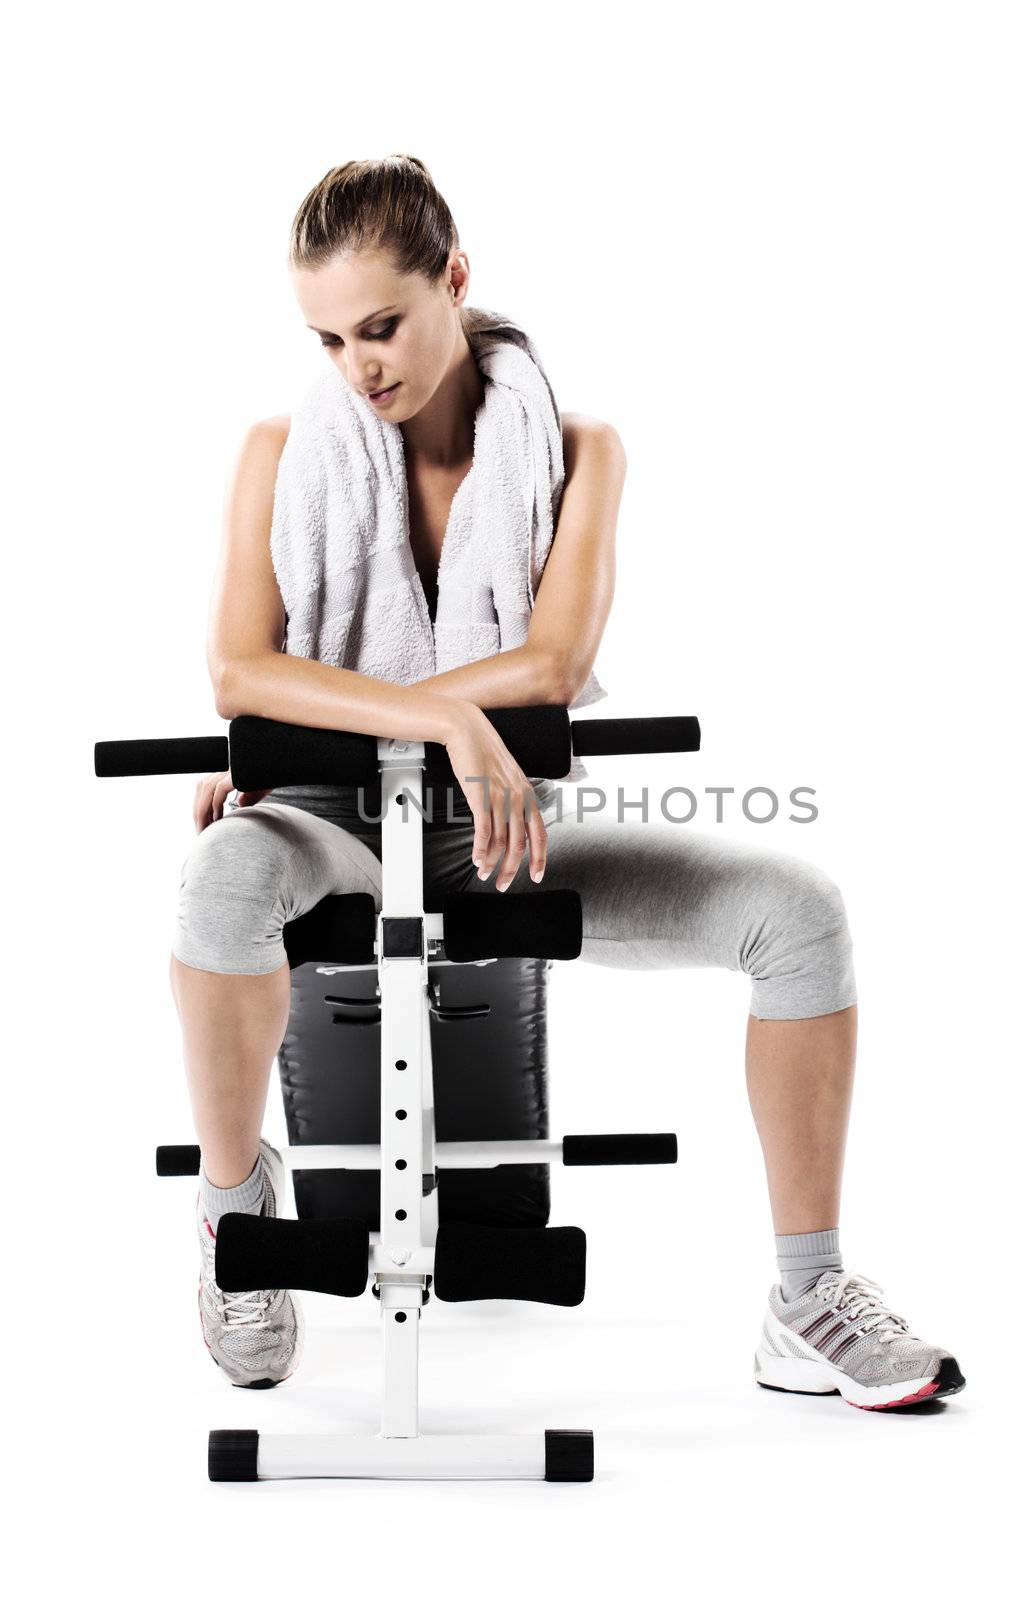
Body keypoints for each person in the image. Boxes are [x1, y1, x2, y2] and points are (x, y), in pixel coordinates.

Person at [169, 154, 964, 1411]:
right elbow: (235, 671)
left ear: (458, 279)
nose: (359, 366)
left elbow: (556, 660)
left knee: (798, 912)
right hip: (330, 824)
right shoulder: (279, 449)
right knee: (218, 877)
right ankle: (234, 1225)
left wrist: (412, 719)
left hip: (506, 830)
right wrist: (435, 715)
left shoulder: (582, 448)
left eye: (382, 324)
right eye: (328, 339)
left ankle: (806, 1298)